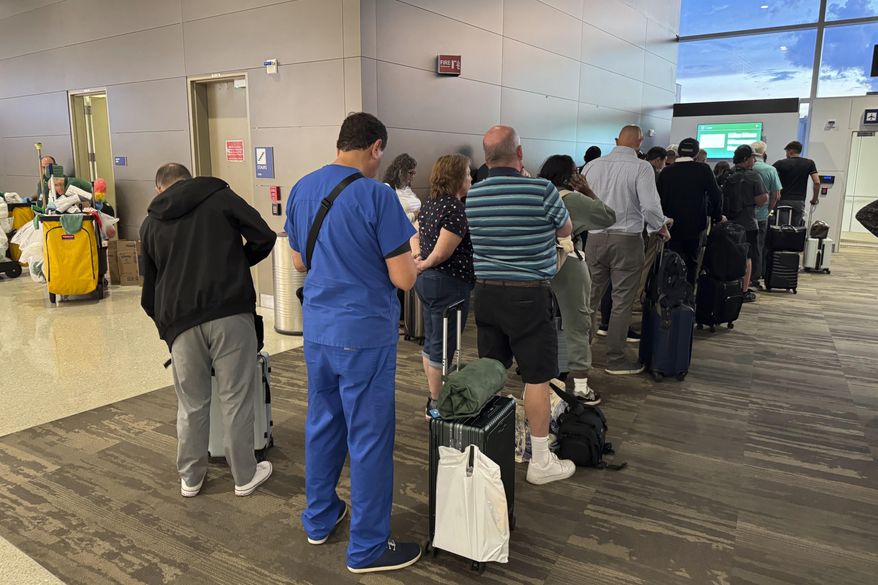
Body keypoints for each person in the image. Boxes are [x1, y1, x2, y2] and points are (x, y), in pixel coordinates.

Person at [284, 112, 421, 574]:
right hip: (363, 335)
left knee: (323, 424)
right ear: (376, 147)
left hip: (318, 330)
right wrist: (415, 261)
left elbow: (300, 260)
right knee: (369, 438)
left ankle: (319, 519)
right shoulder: (377, 196)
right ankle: (366, 549)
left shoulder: (303, 187)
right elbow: (402, 279)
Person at [140, 163, 275, 500]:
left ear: (161, 189)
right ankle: (244, 475)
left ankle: (191, 478)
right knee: (236, 397)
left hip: (181, 323)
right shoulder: (220, 197)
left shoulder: (150, 223)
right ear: (189, 180)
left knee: (191, 403)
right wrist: (236, 264)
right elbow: (264, 235)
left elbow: (150, 291)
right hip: (229, 312)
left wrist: (167, 327)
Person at [466, 125, 575, 486]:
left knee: (491, 372)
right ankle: (541, 461)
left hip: (485, 294)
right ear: (521, 153)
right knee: (537, 376)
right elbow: (565, 229)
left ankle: (489, 449)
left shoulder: (475, 195)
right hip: (529, 294)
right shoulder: (542, 189)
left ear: (485, 158)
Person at [582, 125, 671, 375]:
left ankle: (581, 355)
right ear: (640, 142)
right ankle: (615, 360)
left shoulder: (593, 165)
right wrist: (660, 228)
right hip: (627, 240)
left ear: (615, 140)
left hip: (595, 238)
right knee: (622, 301)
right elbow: (651, 207)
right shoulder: (642, 167)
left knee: (589, 300)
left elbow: (584, 201)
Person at [538, 155, 616, 403]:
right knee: (577, 321)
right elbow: (608, 216)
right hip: (569, 264)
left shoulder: (536, 194)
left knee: (546, 321)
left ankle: (551, 375)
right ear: (570, 175)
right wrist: (588, 190)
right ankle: (581, 387)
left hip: (537, 264)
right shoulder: (574, 199)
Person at [414, 154, 475, 420]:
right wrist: (426, 261)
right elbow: (443, 252)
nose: (471, 178)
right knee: (444, 345)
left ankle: (435, 397)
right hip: (448, 284)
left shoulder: (430, 204)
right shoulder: (454, 209)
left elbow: (412, 232)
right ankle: (436, 403)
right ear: (457, 178)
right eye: (468, 174)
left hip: (428, 283)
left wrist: (418, 260)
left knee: (432, 342)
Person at [657, 138, 724, 285]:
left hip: (671, 225)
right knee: (692, 260)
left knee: (671, 258)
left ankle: (670, 291)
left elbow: (658, 199)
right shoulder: (703, 170)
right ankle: (688, 294)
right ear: (696, 153)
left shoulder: (666, 172)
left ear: (678, 152)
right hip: (695, 224)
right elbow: (716, 195)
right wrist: (717, 216)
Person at [724, 145, 768, 302]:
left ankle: (728, 286)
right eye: (751, 158)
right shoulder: (754, 176)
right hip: (748, 222)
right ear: (746, 159)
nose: (753, 160)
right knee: (747, 257)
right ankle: (743, 290)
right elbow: (762, 199)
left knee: (729, 254)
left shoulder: (728, 175)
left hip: (729, 223)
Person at [749, 141, 782, 290]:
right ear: (764, 153)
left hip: (743, 215)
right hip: (761, 216)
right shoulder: (770, 170)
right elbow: (776, 195)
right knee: (758, 247)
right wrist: (769, 210)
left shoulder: (746, 169)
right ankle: (754, 279)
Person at [773, 140, 819, 226]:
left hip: (783, 200)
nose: (786, 155)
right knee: (796, 230)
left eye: (786, 152)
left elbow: (770, 177)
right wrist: (814, 199)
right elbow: (817, 182)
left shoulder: (780, 163)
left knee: (781, 229)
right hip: (799, 201)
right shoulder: (809, 163)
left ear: (790, 151)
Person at [382, 153, 421, 224]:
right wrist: (414, 215)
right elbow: (390, 220)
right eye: (410, 173)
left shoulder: (407, 189)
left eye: (414, 173)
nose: (413, 176)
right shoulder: (387, 188)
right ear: (400, 172)